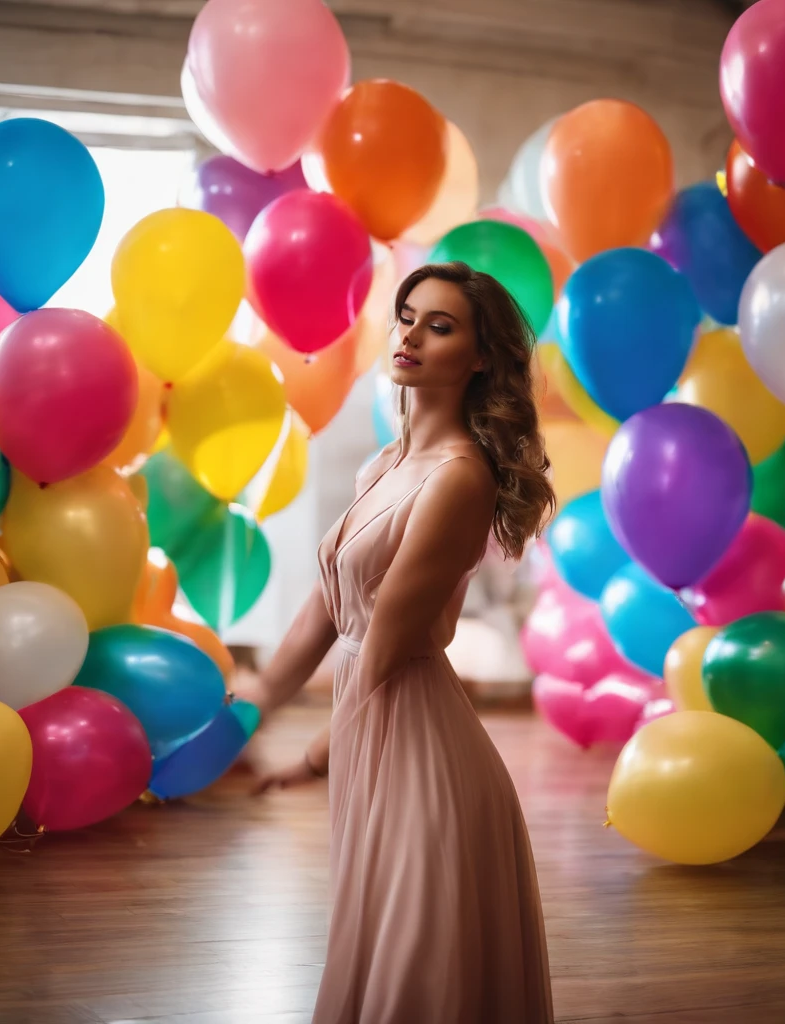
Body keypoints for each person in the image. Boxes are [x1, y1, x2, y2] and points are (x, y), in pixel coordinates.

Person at [241, 261, 555, 1023]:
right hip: (368, 726)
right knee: (377, 941)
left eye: (440, 325)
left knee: (414, 958)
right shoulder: (383, 464)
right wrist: (254, 701)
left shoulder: (458, 478)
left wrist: (315, 754)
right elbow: (328, 608)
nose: (410, 333)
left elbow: (381, 646)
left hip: (414, 743)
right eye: (407, 315)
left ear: (480, 359)